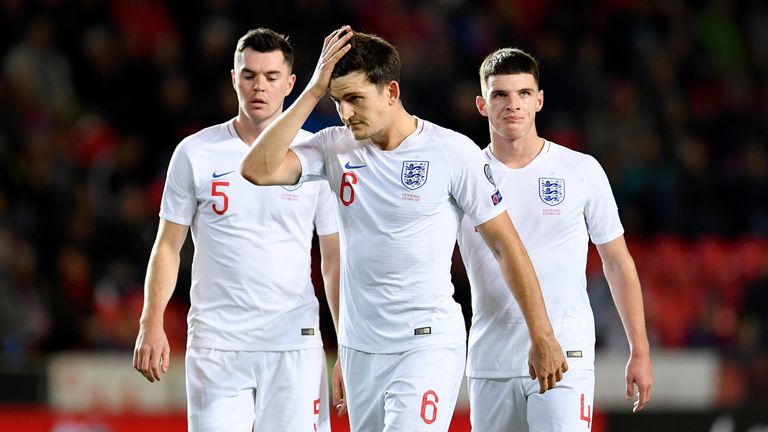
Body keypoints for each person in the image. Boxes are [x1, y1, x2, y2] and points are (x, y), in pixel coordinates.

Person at [240, 26, 567, 432]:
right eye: (338, 101)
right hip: (361, 348)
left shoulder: (450, 151)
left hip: (425, 342)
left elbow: (506, 245)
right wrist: (311, 91)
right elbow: (256, 168)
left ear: (391, 92)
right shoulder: (333, 147)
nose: (346, 113)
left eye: (356, 98)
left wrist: (543, 334)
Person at [132, 28, 340, 432]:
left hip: (292, 341)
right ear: (233, 78)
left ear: (291, 83)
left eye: (271, 76)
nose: (259, 86)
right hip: (217, 344)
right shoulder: (196, 152)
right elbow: (168, 246)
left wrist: (346, 345)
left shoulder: (315, 153)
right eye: (249, 75)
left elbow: (334, 257)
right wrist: (150, 321)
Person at [457, 47, 654, 431]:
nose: (513, 105)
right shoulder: (464, 177)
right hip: (491, 360)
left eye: (524, 94)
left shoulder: (580, 170)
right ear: (482, 104)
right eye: (500, 95)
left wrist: (640, 350)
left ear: (540, 100)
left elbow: (617, 262)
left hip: (567, 355)